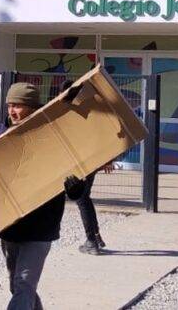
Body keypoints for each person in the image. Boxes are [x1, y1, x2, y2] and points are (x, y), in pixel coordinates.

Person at [0, 82, 85, 310]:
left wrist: (73, 184)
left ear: (32, 108)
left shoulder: (52, 136)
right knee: (19, 286)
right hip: (10, 227)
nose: (12, 111)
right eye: (9, 105)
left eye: (18, 106)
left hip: (40, 228)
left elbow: (78, 190)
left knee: (24, 285)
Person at [58, 80, 113, 255]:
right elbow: (101, 134)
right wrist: (105, 159)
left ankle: (91, 241)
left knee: (82, 200)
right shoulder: (88, 111)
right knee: (85, 199)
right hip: (91, 162)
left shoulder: (66, 114)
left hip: (79, 164)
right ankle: (96, 237)